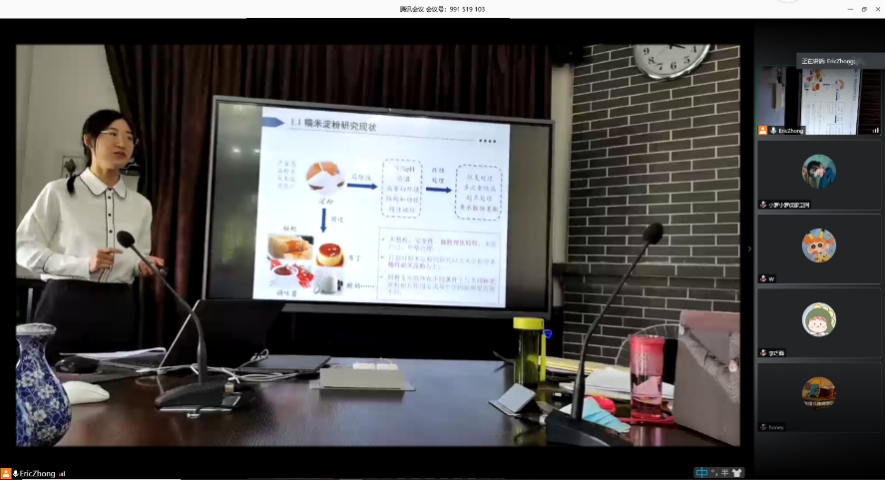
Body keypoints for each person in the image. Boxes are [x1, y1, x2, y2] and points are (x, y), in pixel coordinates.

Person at [16, 110, 165, 363]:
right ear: (89, 140)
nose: (122, 143)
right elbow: (23, 248)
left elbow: (136, 258)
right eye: (112, 134)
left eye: (130, 138)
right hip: (65, 302)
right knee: (58, 380)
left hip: (119, 306)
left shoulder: (141, 205)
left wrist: (142, 265)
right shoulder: (58, 192)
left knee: (115, 382)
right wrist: (83, 265)